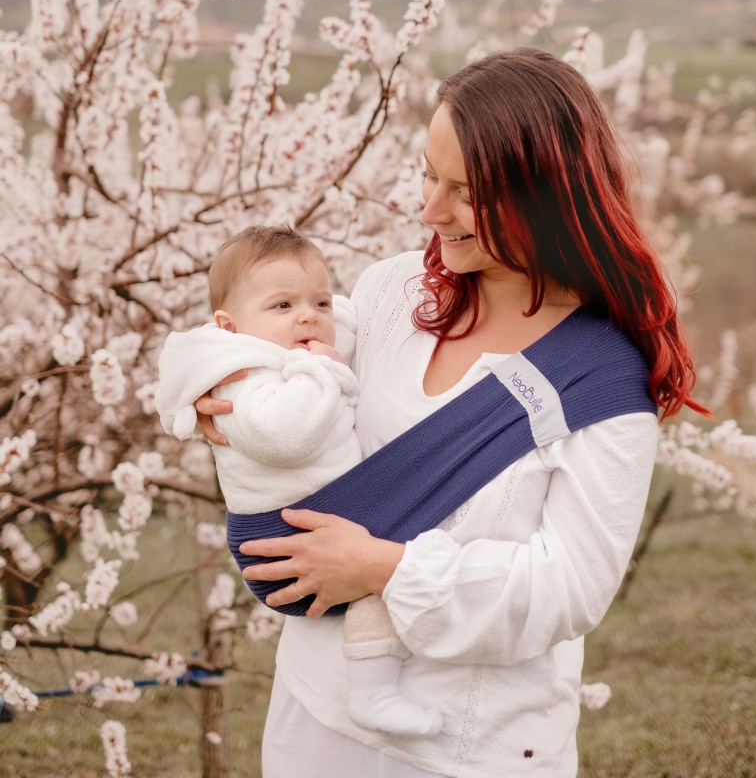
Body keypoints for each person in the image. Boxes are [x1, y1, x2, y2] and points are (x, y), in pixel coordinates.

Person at [196, 48, 707, 778]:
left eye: (464, 191)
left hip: (468, 745)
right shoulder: (388, 296)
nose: (429, 210)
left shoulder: (598, 378)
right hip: (317, 710)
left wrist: (386, 569)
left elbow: (569, 588)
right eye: (428, 176)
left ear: (545, 196)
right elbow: (266, 351)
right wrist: (208, 389)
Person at [154, 225, 443, 737]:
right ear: (229, 325)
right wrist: (320, 370)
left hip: (319, 516)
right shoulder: (244, 377)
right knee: (388, 575)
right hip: (282, 537)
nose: (308, 316)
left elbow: (352, 322)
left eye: (319, 303)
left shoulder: (287, 345)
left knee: (387, 574)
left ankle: (378, 686)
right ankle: (372, 692)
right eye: (282, 306)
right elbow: (287, 437)